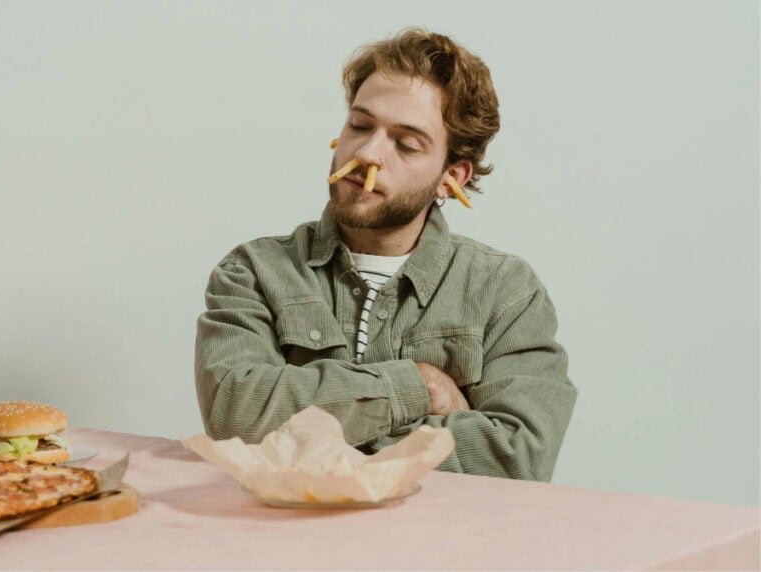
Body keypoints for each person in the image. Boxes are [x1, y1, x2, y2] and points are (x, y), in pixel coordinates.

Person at [194, 28, 576, 481]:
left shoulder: (506, 291)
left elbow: (517, 458)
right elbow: (235, 416)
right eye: (359, 125)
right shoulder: (253, 272)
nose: (369, 153)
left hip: (441, 547)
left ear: (450, 177)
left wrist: (311, 436)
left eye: (406, 143)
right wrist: (421, 385)